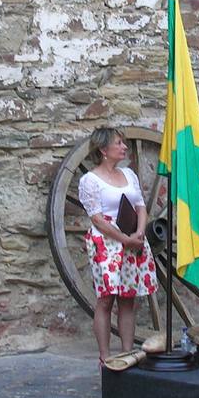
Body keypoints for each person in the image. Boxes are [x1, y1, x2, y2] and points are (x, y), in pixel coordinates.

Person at [77, 127, 156, 369]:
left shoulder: (128, 174)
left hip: (133, 239)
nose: (124, 147)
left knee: (127, 299)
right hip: (107, 243)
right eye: (118, 143)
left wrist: (139, 232)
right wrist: (124, 239)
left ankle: (126, 354)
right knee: (106, 300)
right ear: (103, 150)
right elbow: (98, 219)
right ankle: (105, 357)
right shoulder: (90, 180)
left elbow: (140, 205)